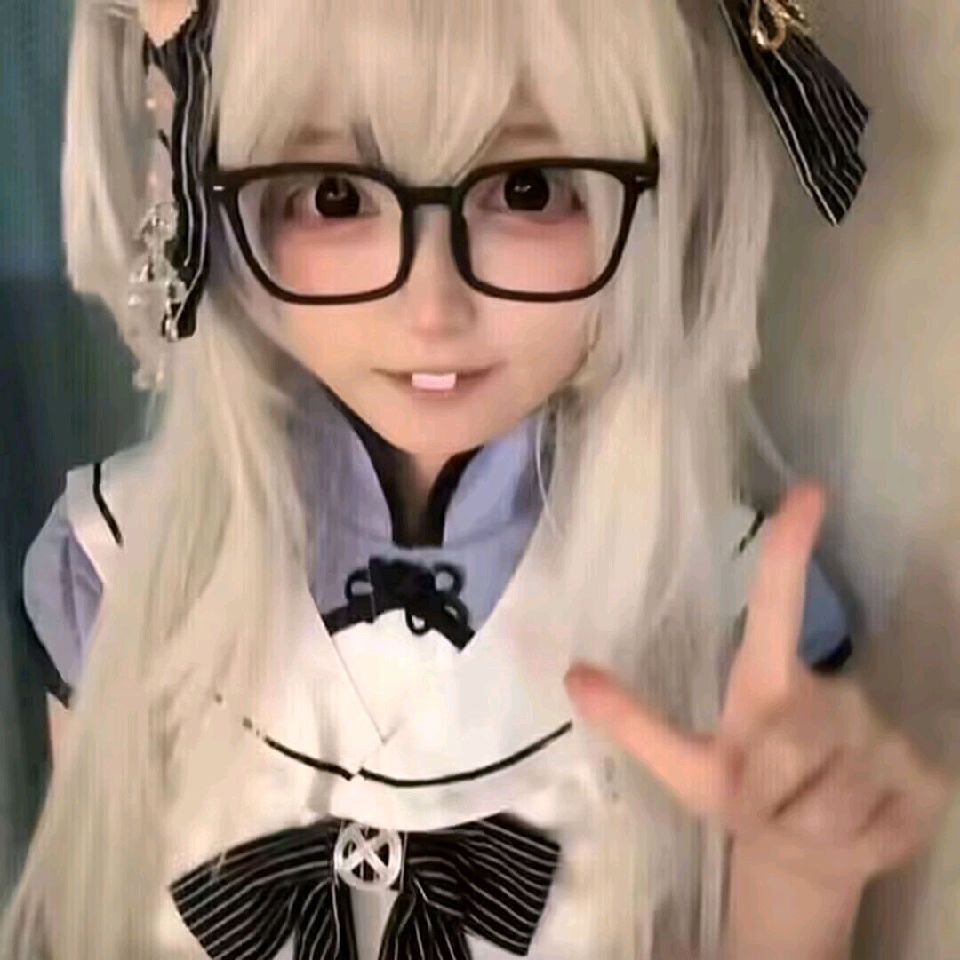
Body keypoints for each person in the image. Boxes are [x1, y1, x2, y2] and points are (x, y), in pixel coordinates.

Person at [1, 1, 951, 957]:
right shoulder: (113, 564)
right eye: (335, 196)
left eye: (529, 190)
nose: (431, 306)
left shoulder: (722, 606)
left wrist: (799, 872)